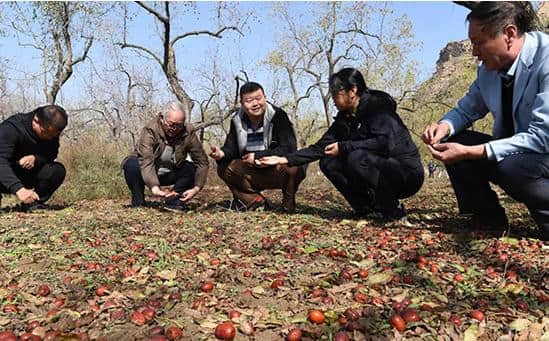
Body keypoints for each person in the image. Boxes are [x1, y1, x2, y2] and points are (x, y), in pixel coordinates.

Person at [422, 2, 548, 240]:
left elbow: (542, 138)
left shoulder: (546, 58)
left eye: (479, 43)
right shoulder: (488, 71)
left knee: (513, 166)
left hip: (542, 154)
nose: (474, 52)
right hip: (519, 154)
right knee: (454, 138)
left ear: (509, 34)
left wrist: (472, 152)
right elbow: (467, 109)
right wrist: (443, 127)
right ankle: (486, 219)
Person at [258, 68, 424, 220]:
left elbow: (385, 144)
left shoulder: (379, 109)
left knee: (356, 157)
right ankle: (367, 208)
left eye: (336, 94)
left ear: (353, 91)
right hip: (377, 168)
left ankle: (393, 211)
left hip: (407, 174)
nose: (333, 100)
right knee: (328, 161)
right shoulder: (345, 118)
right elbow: (319, 148)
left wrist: (344, 147)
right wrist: (283, 159)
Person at [209, 82, 305, 212]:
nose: (255, 104)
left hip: (276, 168)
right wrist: (221, 154)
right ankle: (255, 201)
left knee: (294, 166)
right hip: (251, 169)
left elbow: (289, 148)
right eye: (249, 101)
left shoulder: (278, 115)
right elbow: (231, 148)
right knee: (224, 167)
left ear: (265, 98)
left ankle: (288, 205)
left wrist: (260, 156)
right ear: (242, 103)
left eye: (258, 98)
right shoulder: (237, 120)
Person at [121, 101, 209, 209]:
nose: (174, 129)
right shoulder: (150, 130)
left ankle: (174, 201)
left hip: (171, 172)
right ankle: (138, 202)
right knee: (131, 165)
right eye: (171, 124)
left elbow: (202, 162)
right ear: (162, 118)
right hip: (148, 172)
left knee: (190, 168)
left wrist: (196, 188)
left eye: (179, 126)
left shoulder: (188, 131)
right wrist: (154, 188)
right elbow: (146, 160)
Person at [0, 105, 67, 210]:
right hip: (4, 176)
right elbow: (1, 161)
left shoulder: (51, 131)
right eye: (46, 133)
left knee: (57, 170)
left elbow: (51, 153)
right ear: (36, 121)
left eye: (53, 135)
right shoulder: (11, 128)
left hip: (27, 174)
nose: (50, 138)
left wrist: (36, 158)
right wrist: (18, 189)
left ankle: (33, 203)